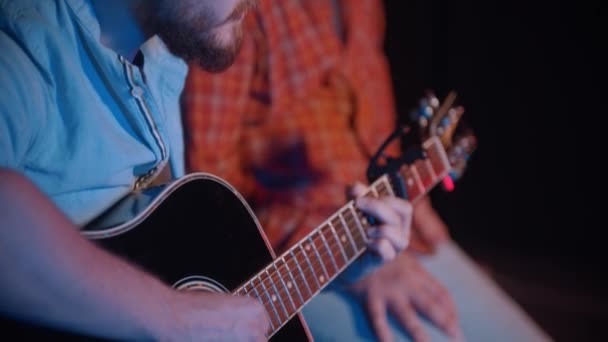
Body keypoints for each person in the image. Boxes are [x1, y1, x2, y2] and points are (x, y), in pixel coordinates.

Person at [0, 0, 412, 340]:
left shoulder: (161, 55)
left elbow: (182, 276)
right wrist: (175, 317)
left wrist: (340, 255)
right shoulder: (22, 51)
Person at [181, 1, 552, 341]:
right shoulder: (232, 12)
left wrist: (410, 193)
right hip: (294, 266)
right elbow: (211, 198)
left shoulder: (362, 6)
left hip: (388, 232)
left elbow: (374, 133)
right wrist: (349, 259)